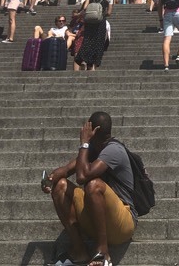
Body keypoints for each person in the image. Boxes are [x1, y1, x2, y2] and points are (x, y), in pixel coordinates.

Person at [44, 112, 137, 266]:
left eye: (87, 128)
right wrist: (49, 180)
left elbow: (82, 176)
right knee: (60, 185)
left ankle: (103, 253)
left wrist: (84, 143)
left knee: (93, 184)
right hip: (97, 220)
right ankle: (79, 251)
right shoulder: (93, 150)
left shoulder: (114, 150)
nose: (84, 131)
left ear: (94, 131)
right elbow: (65, 171)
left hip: (122, 223)